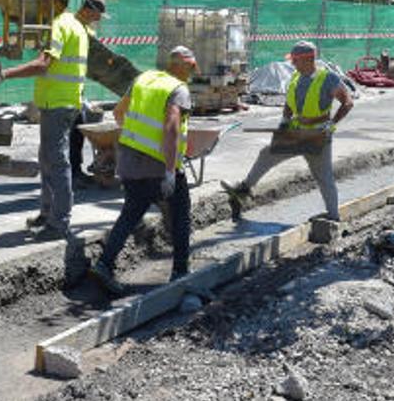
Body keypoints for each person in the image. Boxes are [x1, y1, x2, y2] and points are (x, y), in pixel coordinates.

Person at [88, 47, 197, 296]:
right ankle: (180, 272)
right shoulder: (178, 90)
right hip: (159, 166)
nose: (191, 73)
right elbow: (171, 127)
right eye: (190, 67)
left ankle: (104, 265)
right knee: (181, 216)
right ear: (181, 66)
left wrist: (136, 138)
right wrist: (170, 171)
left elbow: (118, 113)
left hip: (130, 163)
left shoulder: (144, 79)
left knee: (130, 213)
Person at [0, 0, 99, 240]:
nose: (41, 4)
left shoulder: (59, 25)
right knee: (48, 159)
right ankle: (48, 213)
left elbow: (44, 64)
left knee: (56, 162)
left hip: (58, 104)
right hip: (62, 102)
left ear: (55, 0)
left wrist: (5, 74)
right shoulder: (77, 26)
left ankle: (59, 223)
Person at [222, 41, 354, 221]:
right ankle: (242, 192)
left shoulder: (328, 78)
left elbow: (347, 103)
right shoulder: (295, 77)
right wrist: (284, 124)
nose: (292, 64)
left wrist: (331, 124)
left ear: (309, 59)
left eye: (296, 60)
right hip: (297, 132)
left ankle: (333, 217)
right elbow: (289, 105)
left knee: (323, 177)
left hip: (317, 135)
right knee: (267, 154)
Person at [67, 0, 110, 189]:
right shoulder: (69, 26)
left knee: (77, 134)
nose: (99, 19)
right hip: (63, 93)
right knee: (72, 134)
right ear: (87, 9)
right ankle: (70, 174)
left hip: (75, 91)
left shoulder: (87, 31)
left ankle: (74, 171)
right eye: (98, 14)